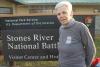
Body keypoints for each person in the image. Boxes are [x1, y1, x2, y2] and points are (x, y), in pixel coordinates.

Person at [55, 1, 96, 67]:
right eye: (58, 14)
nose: (61, 16)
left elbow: (91, 49)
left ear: (71, 13)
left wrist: (86, 65)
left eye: (64, 12)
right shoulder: (61, 29)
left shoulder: (80, 27)